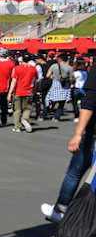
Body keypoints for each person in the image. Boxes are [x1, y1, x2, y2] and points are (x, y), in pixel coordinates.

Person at [41, 64, 96, 223]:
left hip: (92, 133)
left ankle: (62, 209)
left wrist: (78, 134)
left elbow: (90, 103)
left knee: (75, 172)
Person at [7, 53, 38, 133]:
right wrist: (34, 90)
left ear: (22, 60)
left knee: (17, 110)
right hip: (29, 91)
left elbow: (14, 81)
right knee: (27, 108)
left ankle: (17, 127)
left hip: (18, 91)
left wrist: (10, 93)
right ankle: (25, 119)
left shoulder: (16, 68)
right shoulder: (33, 68)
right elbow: (35, 81)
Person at [44, 53, 74, 121]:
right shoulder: (69, 67)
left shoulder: (54, 66)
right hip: (65, 86)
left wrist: (53, 77)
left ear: (60, 59)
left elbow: (47, 76)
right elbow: (71, 79)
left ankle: (43, 115)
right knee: (61, 103)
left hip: (55, 84)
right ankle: (56, 117)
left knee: (50, 100)